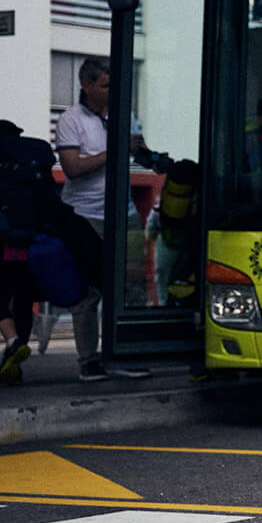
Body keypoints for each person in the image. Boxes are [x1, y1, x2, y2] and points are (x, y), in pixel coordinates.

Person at [51, 56, 154, 381]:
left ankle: (125, 353)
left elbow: (138, 154)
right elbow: (72, 169)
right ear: (87, 86)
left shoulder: (125, 116)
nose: (113, 91)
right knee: (90, 290)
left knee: (131, 286)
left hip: (123, 214)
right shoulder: (71, 119)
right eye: (107, 85)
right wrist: (116, 149)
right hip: (85, 216)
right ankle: (89, 359)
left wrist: (145, 152)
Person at [0, 120, 50, 384]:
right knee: (24, 304)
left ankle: (14, 342)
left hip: (2, 248)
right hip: (30, 248)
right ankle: (13, 365)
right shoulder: (31, 169)